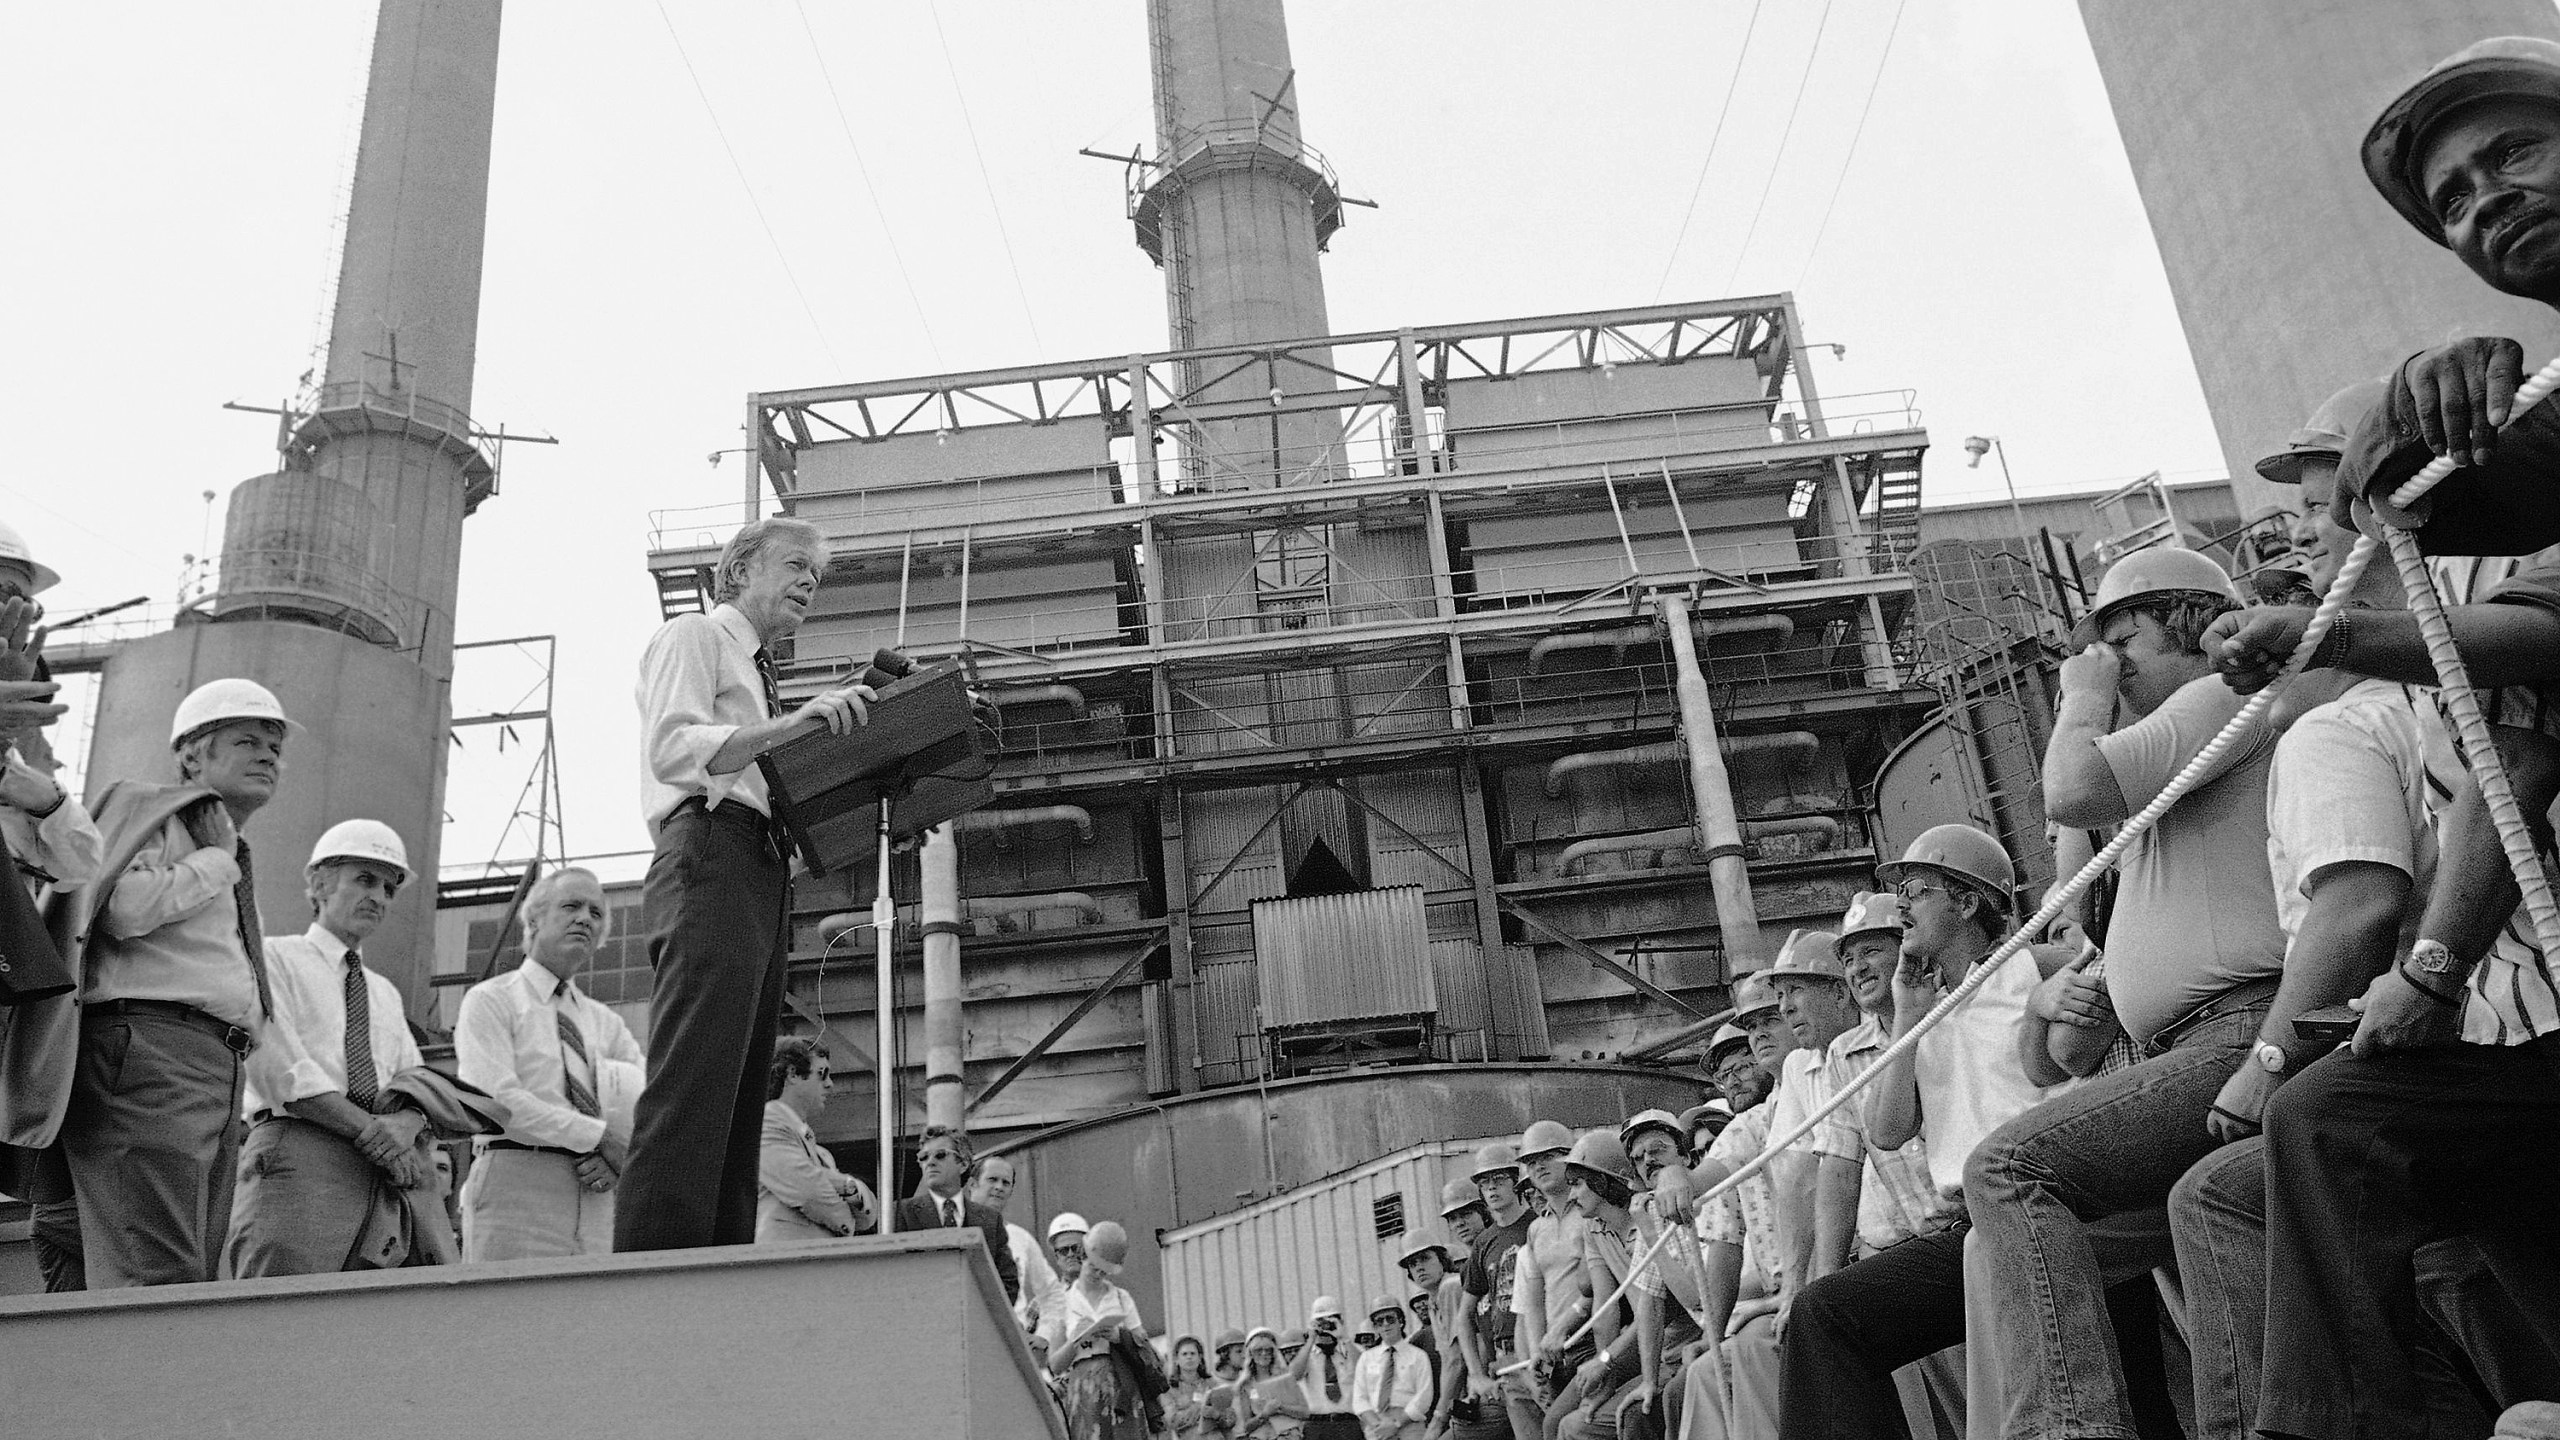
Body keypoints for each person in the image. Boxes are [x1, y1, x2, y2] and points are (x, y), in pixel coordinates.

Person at [1960, 541, 2282, 1440]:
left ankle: (2070, 1430)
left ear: (2186, 622)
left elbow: (2069, 789)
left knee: (2008, 1167)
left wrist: (2080, 699)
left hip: (2242, 1030)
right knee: (2006, 1241)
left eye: (2125, 637)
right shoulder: (2164, 762)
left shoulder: (2220, 699)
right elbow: (2075, 876)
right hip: (2183, 1046)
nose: (2108, 660)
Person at [621, 516, 880, 1252]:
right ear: (737, 571)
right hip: (709, 851)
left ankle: (719, 1267)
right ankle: (653, 1275)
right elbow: (674, 747)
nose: (809, 582)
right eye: (796, 565)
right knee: (696, 1073)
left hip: (758, 867)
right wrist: (794, 727)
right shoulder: (693, 639)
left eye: (816, 575)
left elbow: (767, 795)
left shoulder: (763, 683)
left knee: (739, 1095)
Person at [1775, 826, 2083, 1440]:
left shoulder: (2035, 967)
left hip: (2047, 1208)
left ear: (1967, 905)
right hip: (1971, 1227)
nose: (1903, 904)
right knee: (1824, 1313)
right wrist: (1910, 1019)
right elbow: (1887, 1131)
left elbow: (2101, 973)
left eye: (1914, 890)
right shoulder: (1921, 1004)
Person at [60, 679, 293, 1287]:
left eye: (276, 745)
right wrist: (214, 860)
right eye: (248, 740)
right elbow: (123, 910)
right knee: (153, 1270)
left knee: (185, 1271)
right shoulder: (152, 812)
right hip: (154, 1053)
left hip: (211, 1066)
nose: (270, 755)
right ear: (192, 753)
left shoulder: (229, 848)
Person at [225, 820, 436, 1275]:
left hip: (380, 1169)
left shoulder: (384, 993)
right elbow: (277, 1066)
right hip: (301, 1151)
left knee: (366, 1329)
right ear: (319, 883)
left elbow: (416, 1081)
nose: (378, 897)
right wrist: (374, 1132)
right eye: (365, 879)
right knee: (284, 1317)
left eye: (388, 888)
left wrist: (406, 1122)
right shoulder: (273, 958)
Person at [1807, 893, 1966, 1440]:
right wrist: (1826, 1279)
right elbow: (1840, 1166)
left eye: (1871, 950)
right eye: (1847, 960)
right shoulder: (1843, 1055)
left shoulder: (1957, 1006)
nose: (1856, 969)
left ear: (1908, 948)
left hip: (1977, 1226)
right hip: (1918, 1250)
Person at [454, 867, 645, 1260]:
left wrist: (616, 1158)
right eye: (571, 906)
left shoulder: (606, 1023)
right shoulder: (491, 1001)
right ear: (534, 919)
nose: (585, 919)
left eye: (596, 913)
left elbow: (643, 1098)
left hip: (597, 1192)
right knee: (511, 1315)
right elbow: (497, 1103)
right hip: (516, 1182)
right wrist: (600, 1138)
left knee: (593, 1316)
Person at [1453, 1141, 1539, 1440]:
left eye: (1499, 1179)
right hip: (1505, 1358)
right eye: (1484, 1182)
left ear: (1515, 1181)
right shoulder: (1483, 1242)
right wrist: (1475, 1375)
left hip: (1541, 1347)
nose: (1492, 1188)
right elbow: (1464, 1317)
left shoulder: (1537, 1225)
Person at [755, 1037, 877, 1241]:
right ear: (792, 1074)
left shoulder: (821, 1154)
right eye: (822, 1074)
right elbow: (808, 1191)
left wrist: (846, 1185)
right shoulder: (768, 1121)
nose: (830, 1084)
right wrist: (847, 1213)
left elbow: (869, 1217)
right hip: (785, 1260)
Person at [1043, 1217, 1154, 1440]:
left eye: (1104, 1271)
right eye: (1093, 1267)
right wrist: (1075, 1341)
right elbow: (1054, 1364)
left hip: (1122, 1386)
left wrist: (1119, 1336)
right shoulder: (1062, 1302)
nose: (1098, 1274)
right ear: (1083, 1258)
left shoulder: (1122, 1298)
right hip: (1083, 1390)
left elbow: (1147, 1350)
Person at [1513, 1119, 1592, 1421]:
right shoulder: (1536, 1229)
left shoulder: (1589, 1211)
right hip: (1555, 1353)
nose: (1538, 1167)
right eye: (1531, 1162)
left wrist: (1563, 1328)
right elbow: (1534, 1301)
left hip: (1589, 1340)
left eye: (1548, 1157)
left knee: (1559, 1425)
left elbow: (1601, 1285)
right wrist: (1537, 1354)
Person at [893, 1124, 1022, 1302]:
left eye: (940, 1155)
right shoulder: (901, 1213)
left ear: (962, 1164)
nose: (930, 1162)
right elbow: (894, 1278)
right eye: (923, 1157)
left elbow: (1008, 1283)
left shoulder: (990, 1220)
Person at [1429, 1176, 1500, 1440]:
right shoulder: (1467, 1270)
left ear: (1483, 1212)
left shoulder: (1496, 1251)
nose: (1459, 1223)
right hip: (1485, 1382)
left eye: (1466, 1214)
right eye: (1452, 1218)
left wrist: (1438, 1420)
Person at [972, 1153, 1061, 1328]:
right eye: (992, 1179)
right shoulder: (955, 1231)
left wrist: (1044, 1336)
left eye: (1006, 1183)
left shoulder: (1021, 1239)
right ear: (973, 1184)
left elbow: (1052, 1293)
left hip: (1012, 1339)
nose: (999, 1187)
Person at [1357, 1293, 1436, 1440]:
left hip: (1409, 1425)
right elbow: (1359, 1398)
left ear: (1400, 1321)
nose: (1386, 1324)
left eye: (1390, 1319)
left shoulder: (1418, 1356)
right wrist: (1379, 1425)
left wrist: (1396, 1424)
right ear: (1375, 1327)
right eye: (1379, 1321)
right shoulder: (1366, 1359)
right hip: (1377, 1427)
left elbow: (1424, 1396)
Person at [1296, 1293, 1366, 1438]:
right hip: (1317, 1424)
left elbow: (1364, 1371)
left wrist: (1343, 1337)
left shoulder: (1351, 1350)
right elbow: (1294, 1375)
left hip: (1348, 1423)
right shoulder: (1307, 1354)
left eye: (1330, 1321)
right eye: (1320, 1322)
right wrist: (1310, 1340)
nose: (1325, 1326)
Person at [1239, 1326, 1312, 1439]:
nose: (1264, 1354)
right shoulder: (1246, 1385)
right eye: (1259, 1350)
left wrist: (1281, 1408)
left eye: (1268, 1350)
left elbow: (1305, 1412)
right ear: (1251, 1354)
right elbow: (1246, 1426)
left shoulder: (1286, 1377)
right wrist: (1264, 1414)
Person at [1169, 1335, 1223, 1440]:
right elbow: (1172, 1421)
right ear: (1176, 1359)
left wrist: (1216, 1414)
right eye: (1184, 1354)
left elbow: (1228, 1417)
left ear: (1200, 1357)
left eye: (1193, 1353)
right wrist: (1200, 1409)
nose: (1189, 1357)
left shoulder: (1213, 1384)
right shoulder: (1170, 1389)